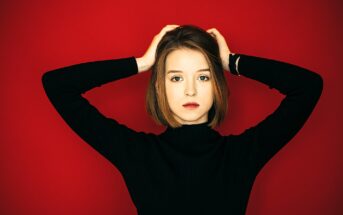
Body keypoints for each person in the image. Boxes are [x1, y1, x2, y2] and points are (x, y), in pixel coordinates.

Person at [41, 24, 323, 215]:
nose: (190, 89)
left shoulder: (241, 155)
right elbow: (57, 85)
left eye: (203, 76)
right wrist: (142, 62)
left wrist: (231, 62)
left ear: (217, 86)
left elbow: (308, 86)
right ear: (159, 86)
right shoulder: (137, 154)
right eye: (176, 77)